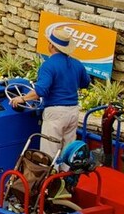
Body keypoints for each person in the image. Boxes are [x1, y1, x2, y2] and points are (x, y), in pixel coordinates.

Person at [15, 26, 88, 154]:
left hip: (55, 113)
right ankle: (67, 173)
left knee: (49, 152)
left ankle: (51, 173)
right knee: (68, 152)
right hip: (73, 111)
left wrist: (22, 98)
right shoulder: (77, 64)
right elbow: (85, 83)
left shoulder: (48, 65)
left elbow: (40, 91)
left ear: (52, 46)